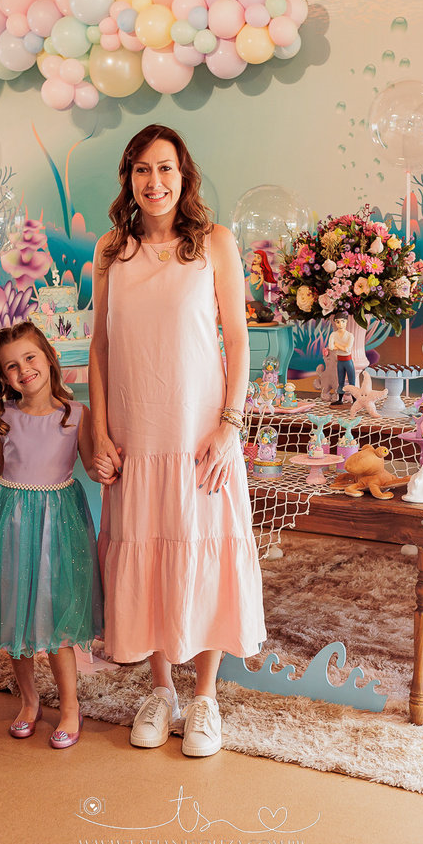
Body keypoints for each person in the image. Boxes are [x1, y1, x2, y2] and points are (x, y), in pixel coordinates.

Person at [89, 124, 266, 758]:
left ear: (183, 175)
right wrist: (100, 429)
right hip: (137, 431)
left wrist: (231, 425)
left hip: (200, 433)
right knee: (149, 549)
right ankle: (161, 690)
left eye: (165, 168)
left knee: (205, 548)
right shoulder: (111, 249)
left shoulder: (215, 242)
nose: (154, 181)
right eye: (142, 169)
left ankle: (206, 697)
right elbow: (100, 346)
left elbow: (237, 340)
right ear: (129, 178)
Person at [0, 322, 104, 749]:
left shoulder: (75, 414)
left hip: (57, 524)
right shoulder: (4, 418)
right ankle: (29, 702)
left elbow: (91, 464)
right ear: (4, 377)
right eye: (11, 366)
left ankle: (69, 707)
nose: (23, 369)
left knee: (56, 615)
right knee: (15, 615)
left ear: (48, 357)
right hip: (11, 520)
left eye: (29, 358)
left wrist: (106, 465)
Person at [327, 312, 357, 405]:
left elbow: (348, 349)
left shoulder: (350, 335)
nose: (340, 324)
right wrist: (342, 347)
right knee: (340, 380)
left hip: (348, 361)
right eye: (338, 322)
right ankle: (340, 399)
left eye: (343, 321)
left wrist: (337, 345)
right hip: (340, 361)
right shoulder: (333, 335)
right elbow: (331, 347)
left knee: (352, 380)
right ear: (335, 323)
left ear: (346, 322)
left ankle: (355, 400)